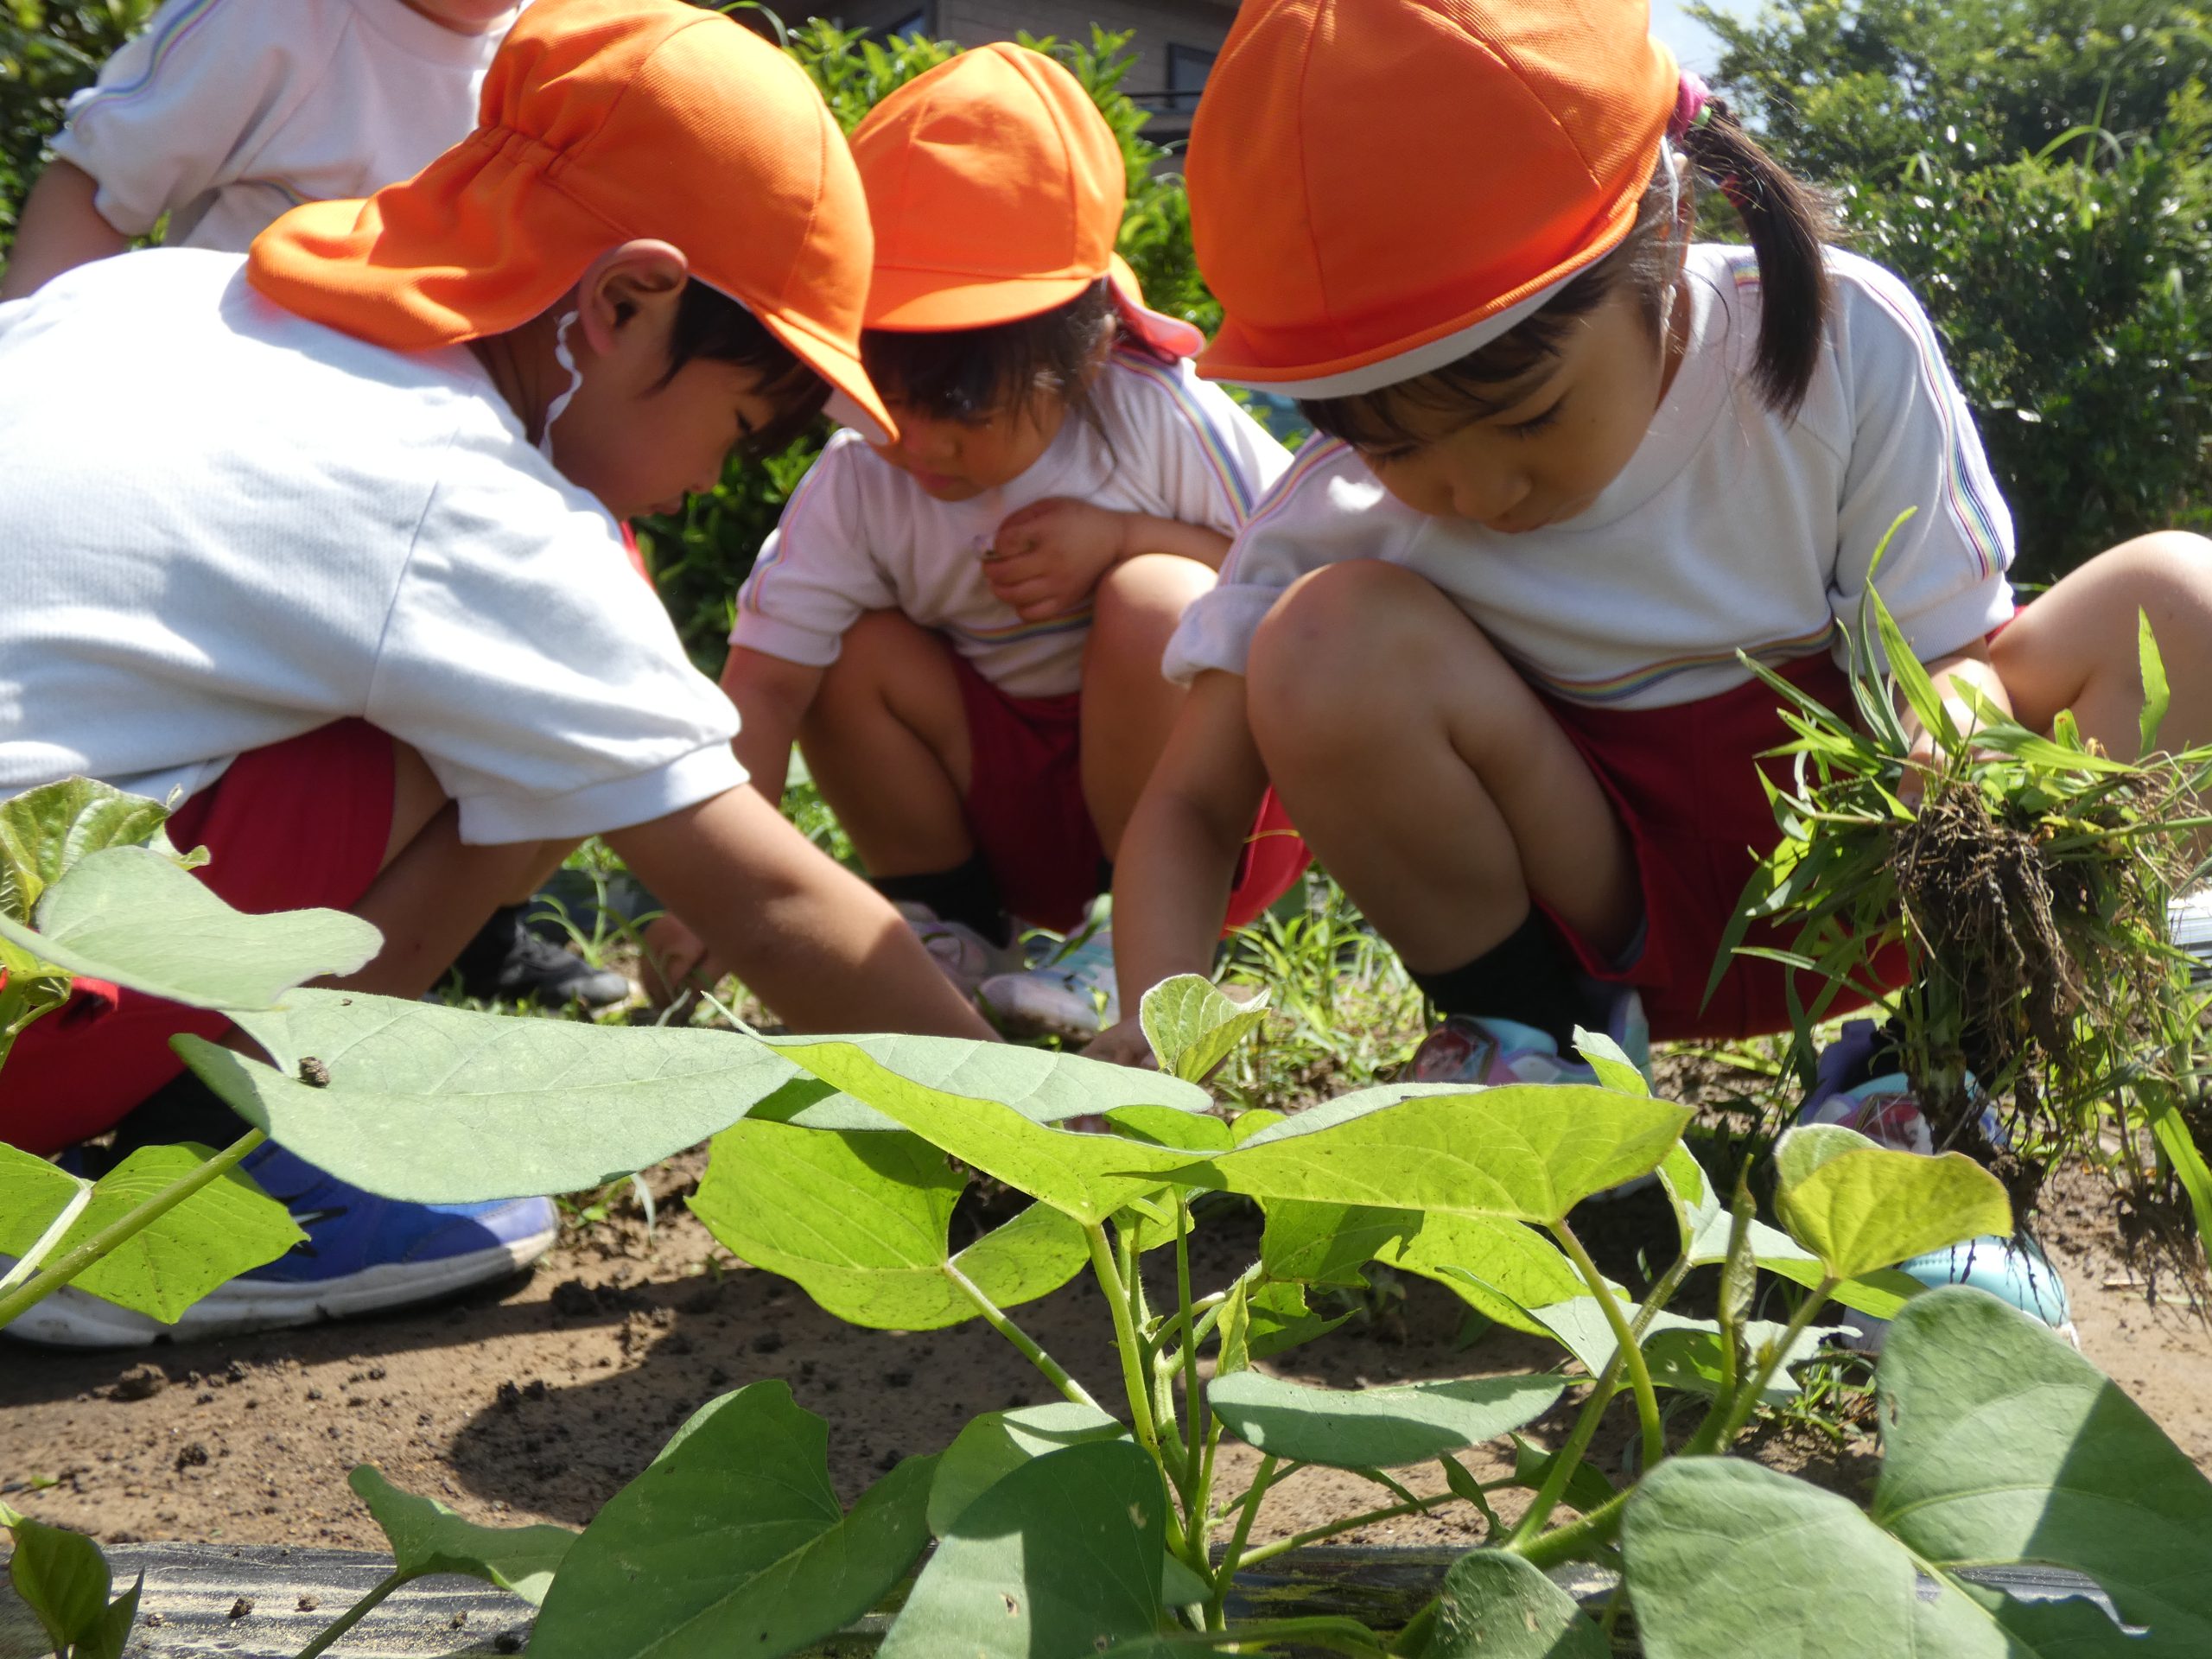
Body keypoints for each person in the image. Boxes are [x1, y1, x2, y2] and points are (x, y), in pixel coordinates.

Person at [1091, 0, 2212, 1332]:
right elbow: (1190, 807)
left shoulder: (1837, 345)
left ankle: (1928, 1094)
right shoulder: (1340, 507)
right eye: (1397, 443)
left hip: (1874, 867)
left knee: (2183, 597)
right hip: (1600, 909)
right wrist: (1147, 1048)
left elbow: (1955, 653)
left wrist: (1958, 714)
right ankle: (1533, 1066)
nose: (1473, 486)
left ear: (1665, 231)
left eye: (1528, 413)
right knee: (1324, 637)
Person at [0, 0, 991, 1345]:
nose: (715, 482)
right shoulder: (462, 499)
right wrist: (1057, 1144)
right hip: (19, 1021)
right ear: (624, 304)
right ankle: (212, 1193)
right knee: (520, 716)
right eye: (744, 427)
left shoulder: (153, 294)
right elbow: (765, 901)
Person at [650, 43, 1303, 1040]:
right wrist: (709, 891)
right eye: (889, 397)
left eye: (960, 406)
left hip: (1203, 813)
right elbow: (766, 684)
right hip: (1010, 809)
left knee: (1152, 598)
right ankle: (951, 926)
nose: (918, 441)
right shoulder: (860, 475)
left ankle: (1145, 954)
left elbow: (1304, 573)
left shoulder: (1159, 416)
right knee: (838, 649)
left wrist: (1129, 535)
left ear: (1081, 354)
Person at [0, 0, 635, 1010]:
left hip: (455, 465)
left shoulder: (573, 49)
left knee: (539, 655)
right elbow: (96, 185)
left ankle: (461, 936)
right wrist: (39, 372)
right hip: (231, 465)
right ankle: (202, 997)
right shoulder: (277, 24)